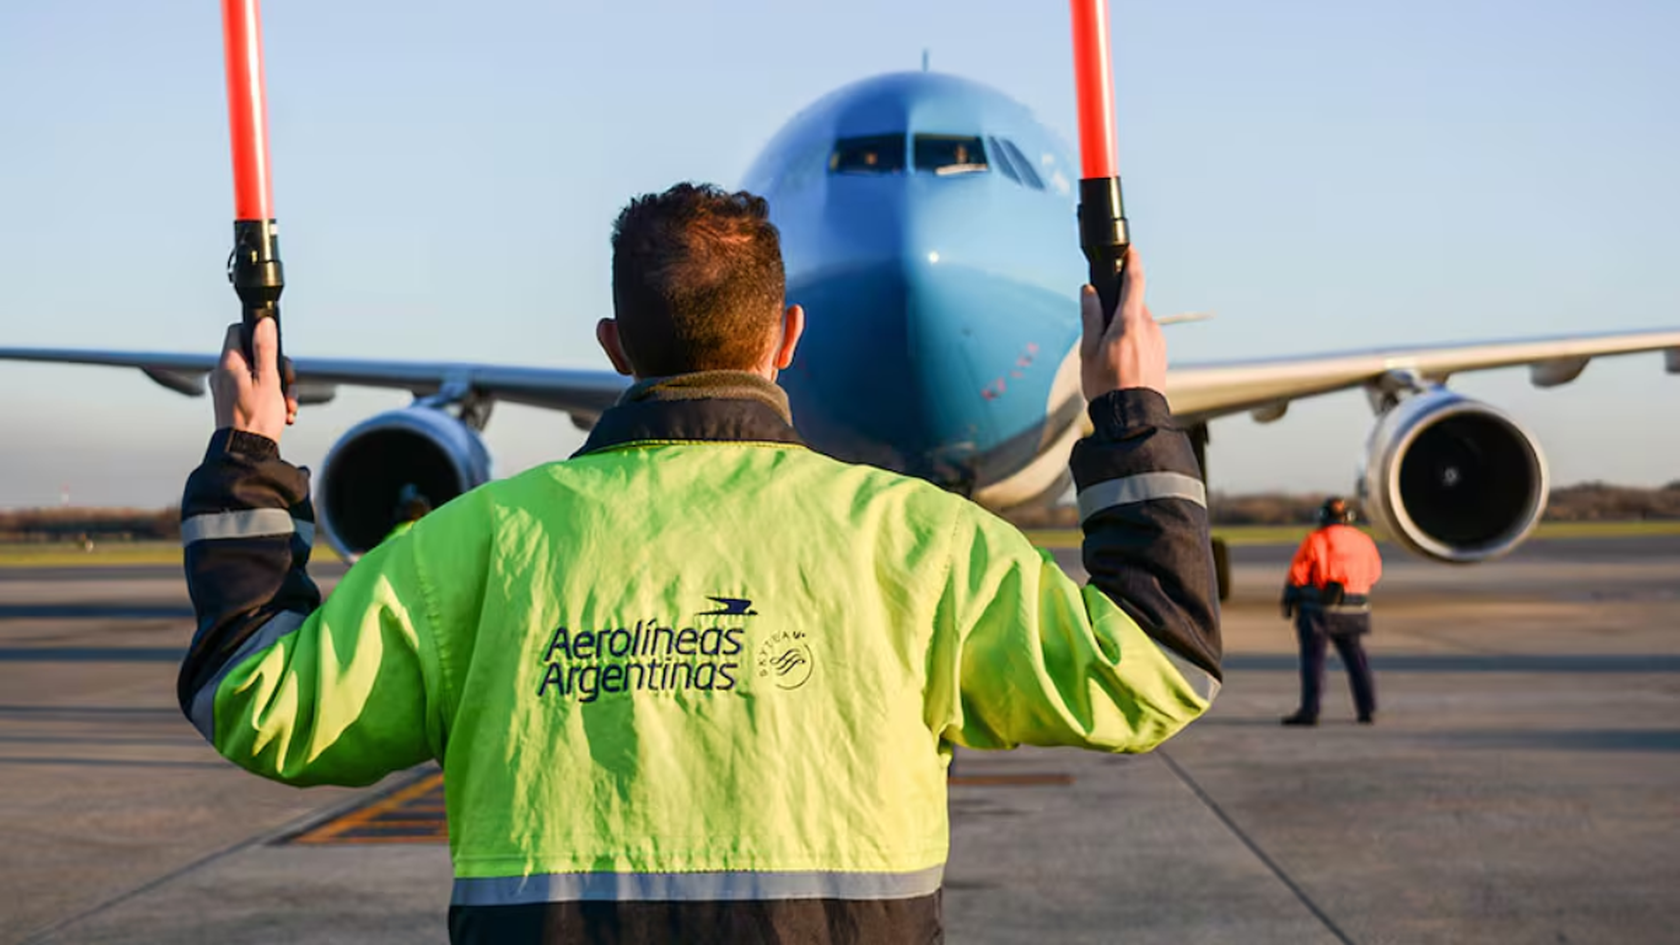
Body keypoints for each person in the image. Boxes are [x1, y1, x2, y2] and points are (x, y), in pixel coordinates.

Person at [176, 183, 1221, 944]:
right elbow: (1155, 669)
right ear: (789, 335)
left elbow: (255, 698)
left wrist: (248, 463)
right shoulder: (917, 542)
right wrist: (1131, 417)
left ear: (613, 346)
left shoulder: (475, 545)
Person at [1280, 497, 1382, 726]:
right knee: (1357, 660)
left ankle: (1310, 711)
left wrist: (1290, 597)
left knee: (1313, 661)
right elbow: (1374, 573)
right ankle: (1367, 709)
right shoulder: (1364, 540)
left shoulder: (1316, 539)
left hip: (1320, 610)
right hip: (1354, 610)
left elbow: (1299, 573)